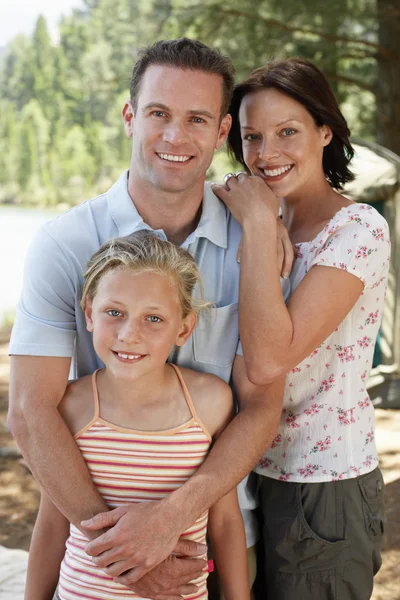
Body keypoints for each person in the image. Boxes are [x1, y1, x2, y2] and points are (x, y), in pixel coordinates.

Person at [8, 39, 291, 599]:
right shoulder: (64, 244)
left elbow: (261, 405)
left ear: (221, 132)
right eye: (158, 113)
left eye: (197, 119)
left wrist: (171, 519)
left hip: (217, 540)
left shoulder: (255, 242)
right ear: (130, 117)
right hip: (89, 546)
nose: (174, 136)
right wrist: (122, 550)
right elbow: (29, 410)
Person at [212, 57, 390, 600]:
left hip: (322, 482)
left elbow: (270, 359)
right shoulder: (252, 217)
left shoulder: (358, 229)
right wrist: (257, 214)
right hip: (242, 472)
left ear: (325, 130)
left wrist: (262, 225)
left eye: (288, 132)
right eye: (252, 137)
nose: (267, 154)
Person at [25, 231, 251, 600]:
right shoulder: (70, 406)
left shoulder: (209, 403)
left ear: (184, 327)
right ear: (89, 314)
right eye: (114, 312)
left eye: (154, 319)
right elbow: (52, 524)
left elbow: (225, 521)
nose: (130, 334)